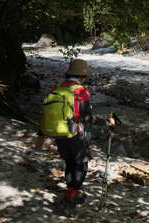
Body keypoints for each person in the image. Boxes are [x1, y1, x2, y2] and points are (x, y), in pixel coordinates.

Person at [35, 59, 114, 206]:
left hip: (59, 132)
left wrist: (41, 135)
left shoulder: (56, 88)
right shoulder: (80, 91)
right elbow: (87, 118)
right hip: (75, 134)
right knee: (81, 165)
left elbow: (47, 113)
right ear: (82, 76)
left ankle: (70, 191)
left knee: (69, 162)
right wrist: (106, 122)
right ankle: (72, 195)